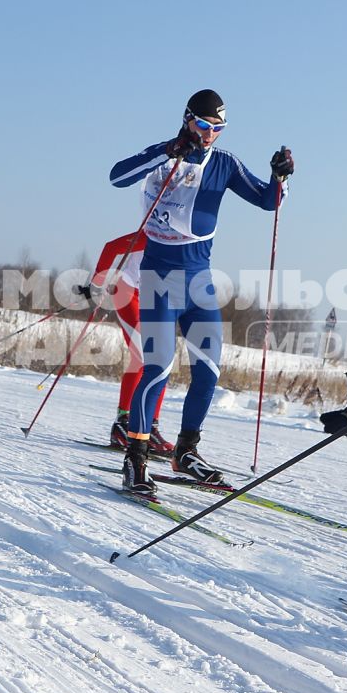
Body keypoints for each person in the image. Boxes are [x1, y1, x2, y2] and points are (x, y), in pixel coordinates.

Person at [108, 89, 292, 496]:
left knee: (209, 369)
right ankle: (135, 459)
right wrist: (167, 152)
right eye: (205, 126)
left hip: (198, 282)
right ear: (188, 119)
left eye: (218, 129)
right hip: (158, 276)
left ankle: (186, 451)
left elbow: (268, 201)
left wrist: (280, 175)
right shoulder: (163, 155)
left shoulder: (224, 163)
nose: (210, 135)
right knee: (157, 368)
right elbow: (117, 176)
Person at [87, 230, 171, 453]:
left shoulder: (186, 240)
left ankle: (149, 427)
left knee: (162, 362)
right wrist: (98, 282)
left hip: (153, 299)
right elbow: (111, 247)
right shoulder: (154, 232)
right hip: (127, 293)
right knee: (143, 358)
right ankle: (123, 423)